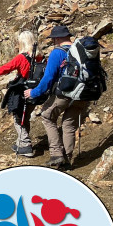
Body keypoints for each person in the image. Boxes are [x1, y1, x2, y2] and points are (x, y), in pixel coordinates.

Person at [24, 25, 88, 170]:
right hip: (83, 94)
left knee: (47, 116)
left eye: (53, 39)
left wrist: (33, 92)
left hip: (65, 93)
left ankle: (56, 154)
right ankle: (67, 160)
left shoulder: (57, 53)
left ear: (57, 38)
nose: (53, 41)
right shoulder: (81, 50)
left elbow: (48, 78)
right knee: (68, 124)